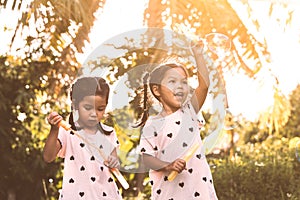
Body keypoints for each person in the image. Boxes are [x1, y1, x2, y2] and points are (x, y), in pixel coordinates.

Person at [137, 43, 218, 199]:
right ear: (156, 90)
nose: (180, 86)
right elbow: (147, 158)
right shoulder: (153, 124)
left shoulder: (189, 113)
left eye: (183, 82)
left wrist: (198, 55)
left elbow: (204, 86)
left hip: (199, 193)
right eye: (172, 82)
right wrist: (168, 165)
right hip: (169, 194)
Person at [43, 77, 122, 200]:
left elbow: (115, 161)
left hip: (105, 195)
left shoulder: (109, 133)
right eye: (88, 108)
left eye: (100, 109)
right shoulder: (68, 132)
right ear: (75, 104)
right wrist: (54, 130)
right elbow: (48, 157)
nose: (94, 113)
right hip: (75, 196)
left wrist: (113, 162)